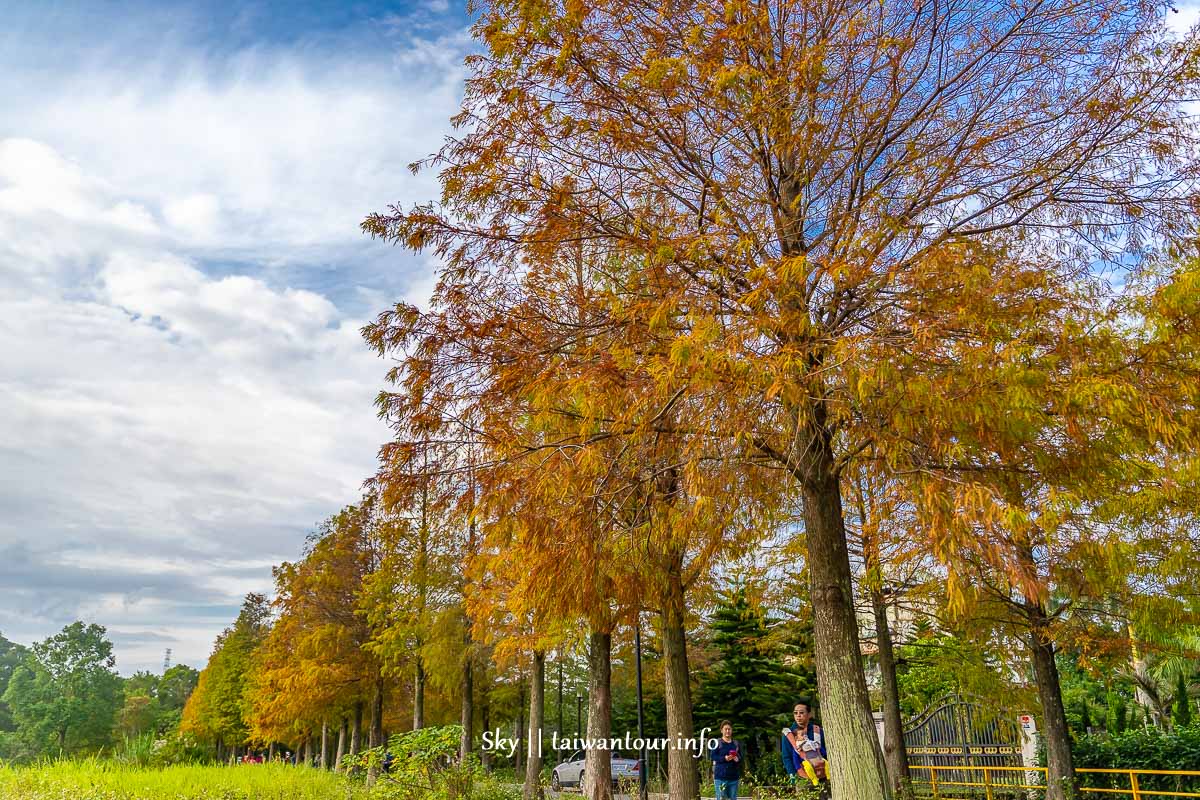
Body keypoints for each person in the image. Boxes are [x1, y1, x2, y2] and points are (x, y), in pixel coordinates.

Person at [781, 701, 829, 795]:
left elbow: (826, 753)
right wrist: (793, 775)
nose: (798, 715)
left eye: (802, 713)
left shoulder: (818, 731)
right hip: (802, 777)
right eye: (795, 713)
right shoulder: (789, 734)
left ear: (809, 714)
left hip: (821, 776)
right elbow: (786, 757)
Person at [708, 720, 742, 800]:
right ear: (721, 730)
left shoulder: (736, 744)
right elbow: (713, 756)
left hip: (733, 778)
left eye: (729, 729)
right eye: (725, 729)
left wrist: (737, 759)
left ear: (731, 730)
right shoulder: (717, 743)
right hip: (720, 777)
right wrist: (724, 758)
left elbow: (740, 757)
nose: (727, 731)